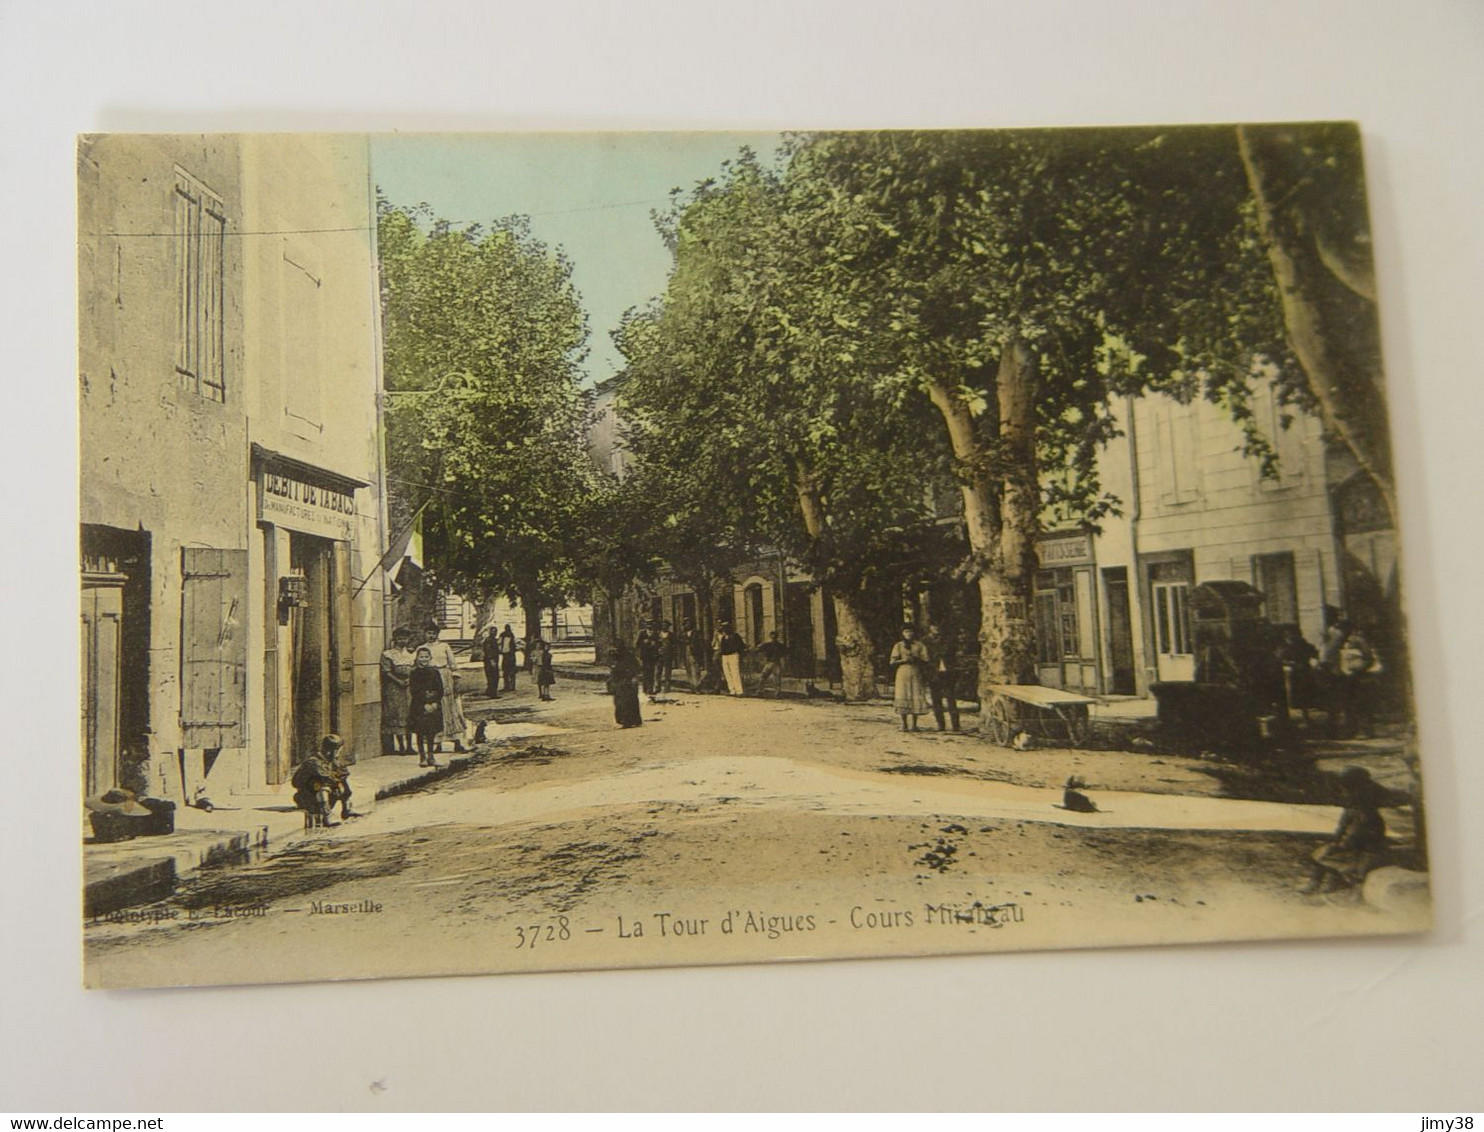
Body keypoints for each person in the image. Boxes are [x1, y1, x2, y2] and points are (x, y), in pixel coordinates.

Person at [1305, 766, 1391, 893]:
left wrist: (1340, 845)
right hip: (1352, 847)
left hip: (1365, 851)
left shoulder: (1366, 813)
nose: (1344, 794)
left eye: (1346, 791)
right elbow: (1341, 829)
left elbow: (1356, 836)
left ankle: (1332, 882)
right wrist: (1335, 840)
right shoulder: (1351, 810)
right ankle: (1315, 883)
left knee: (1332, 856)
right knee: (1324, 852)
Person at [421, 621, 468, 752]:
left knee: (450, 709)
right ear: (424, 634)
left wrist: (455, 683)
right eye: (429, 633)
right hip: (430, 679)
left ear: (438, 634)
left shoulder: (444, 647)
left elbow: (453, 665)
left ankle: (457, 742)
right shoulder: (422, 648)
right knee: (436, 711)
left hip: (445, 677)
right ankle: (437, 743)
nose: (431, 636)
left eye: (434, 633)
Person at [292, 734, 355, 825]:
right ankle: (327, 816)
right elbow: (326, 778)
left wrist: (341, 779)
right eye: (337, 751)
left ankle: (347, 810)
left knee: (341, 782)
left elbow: (342, 774)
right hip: (307, 798)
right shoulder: (313, 762)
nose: (338, 754)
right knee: (323, 786)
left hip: (323, 799)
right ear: (332, 751)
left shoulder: (332, 761)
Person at [1335, 628, 1381, 738]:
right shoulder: (1345, 643)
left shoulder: (1360, 641)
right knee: (1349, 706)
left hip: (1360, 678)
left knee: (1361, 705)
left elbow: (1368, 659)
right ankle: (1351, 730)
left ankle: (1365, 731)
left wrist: (1357, 670)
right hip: (1348, 678)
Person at [379, 627, 416, 754]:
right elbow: (386, 671)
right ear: (394, 640)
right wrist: (398, 681)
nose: (402, 641)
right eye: (399, 638)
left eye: (404, 638)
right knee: (396, 714)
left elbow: (415, 668)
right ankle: (401, 746)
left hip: (408, 687)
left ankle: (410, 746)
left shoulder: (411, 653)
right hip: (394, 688)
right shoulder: (389, 654)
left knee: (409, 714)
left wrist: (410, 680)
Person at [889, 624, 932, 732]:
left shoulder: (919, 645)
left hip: (915, 671)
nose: (909, 634)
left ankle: (914, 724)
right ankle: (903, 724)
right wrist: (903, 660)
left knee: (915, 695)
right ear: (903, 633)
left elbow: (926, 659)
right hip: (903, 673)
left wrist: (916, 659)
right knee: (903, 695)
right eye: (906, 632)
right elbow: (892, 662)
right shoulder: (898, 646)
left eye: (911, 631)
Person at [408, 646, 445, 766]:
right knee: (420, 731)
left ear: (430, 658)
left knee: (431, 731)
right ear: (417, 658)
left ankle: (431, 756)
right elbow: (415, 690)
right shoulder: (414, 673)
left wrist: (435, 703)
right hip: (419, 706)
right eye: (421, 657)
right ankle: (422, 757)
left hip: (434, 705)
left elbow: (440, 689)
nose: (424, 659)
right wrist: (424, 704)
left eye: (426, 657)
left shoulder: (435, 672)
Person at [1275, 624, 1320, 722]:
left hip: (1303, 672)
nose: (1289, 636)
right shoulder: (1286, 646)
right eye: (1287, 635)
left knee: (1304, 694)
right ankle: (1304, 716)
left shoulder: (1301, 645)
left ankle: (1305, 715)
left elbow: (1314, 654)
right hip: (1297, 672)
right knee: (1299, 695)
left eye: (1291, 634)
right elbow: (1280, 659)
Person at [925, 626, 961, 732]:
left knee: (951, 698)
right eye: (933, 626)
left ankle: (955, 725)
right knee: (936, 700)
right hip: (933, 673)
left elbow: (952, 653)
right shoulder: (925, 641)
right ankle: (940, 724)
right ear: (930, 627)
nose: (936, 628)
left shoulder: (947, 639)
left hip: (948, 673)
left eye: (938, 626)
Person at [606, 645, 643, 728]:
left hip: (628, 682)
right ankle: (628, 720)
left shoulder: (627, 658)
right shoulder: (617, 659)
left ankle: (628, 721)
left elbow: (636, 669)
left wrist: (633, 677)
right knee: (621, 702)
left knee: (626, 702)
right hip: (621, 682)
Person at [714, 620, 745, 697]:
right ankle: (732, 690)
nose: (725, 630)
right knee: (727, 673)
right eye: (724, 628)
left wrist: (737, 652)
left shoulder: (735, 636)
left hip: (733, 655)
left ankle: (739, 691)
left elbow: (741, 646)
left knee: (735, 672)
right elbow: (721, 647)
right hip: (725, 656)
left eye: (727, 628)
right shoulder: (724, 637)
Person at [756, 630, 787, 697]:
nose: (773, 637)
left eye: (774, 636)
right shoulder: (773, 645)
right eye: (772, 635)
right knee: (766, 677)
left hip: (773, 663)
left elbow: (759, 648)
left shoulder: (772, 645)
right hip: (772, 663)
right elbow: (784, 653)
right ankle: (762, 691)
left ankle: (775, 693)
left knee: (772, 678)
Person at [682, 619, 709, 692]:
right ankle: (692, 686)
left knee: (696, 670)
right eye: (685, 624)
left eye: (688, 623)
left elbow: (700, 643)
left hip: (694, 653)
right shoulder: (683, 634)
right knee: (689, 670)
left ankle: (697, 686)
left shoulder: (696, 633)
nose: (686, 625)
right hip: (686, 653)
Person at [635, 625, 660, 701]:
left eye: (651, 624)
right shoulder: (642, 633)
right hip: (645, 656)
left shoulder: (656, 634)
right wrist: (644, 642)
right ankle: (645, 688)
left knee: (651, 672)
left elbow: (659, 643)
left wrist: (655, 644)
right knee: (646, 672)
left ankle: (650, 689)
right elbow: (637, 644)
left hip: (653, 656)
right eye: (648, 624)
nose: (650, 626)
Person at [478, 622, 502, 698]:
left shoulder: (492, 640)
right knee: (494, 677)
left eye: (495, 632)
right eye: (493, 631)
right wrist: (492, 660)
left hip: (491, 661)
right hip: (490, 661)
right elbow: (489, 651)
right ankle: (493, 693)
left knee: (492, 677)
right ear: (490, 632)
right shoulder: (489, 640)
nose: (495, 633)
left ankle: (490, 691)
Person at [656, 620, 677, 694]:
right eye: (663, 625)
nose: (664, 626)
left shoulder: (671, 635)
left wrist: (673, 653)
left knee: (668, 671)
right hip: (659, 655)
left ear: (668, 626)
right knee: (658, 671)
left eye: (666, 625)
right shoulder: (657, 634)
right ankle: (657, 687)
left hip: (668, 655)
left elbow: (674, 645)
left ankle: (667, 687)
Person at [498, 624, 519, 693]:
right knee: (507, 671)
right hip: (508, 655)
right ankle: (509, 686)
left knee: (509, 671)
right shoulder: (509, 635)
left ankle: (509, 686)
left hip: (509, 655)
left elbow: (499, 643)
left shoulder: (507, 635)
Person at [534, 637, 555, 701]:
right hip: (545, 670)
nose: (548, 648)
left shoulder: (547, 654)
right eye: (546, 647)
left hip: (546, 669)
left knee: (546, 684)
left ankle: (545, 695)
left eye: (548, 647)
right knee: (545, 683)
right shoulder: (544, 654)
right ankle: (545, 695)